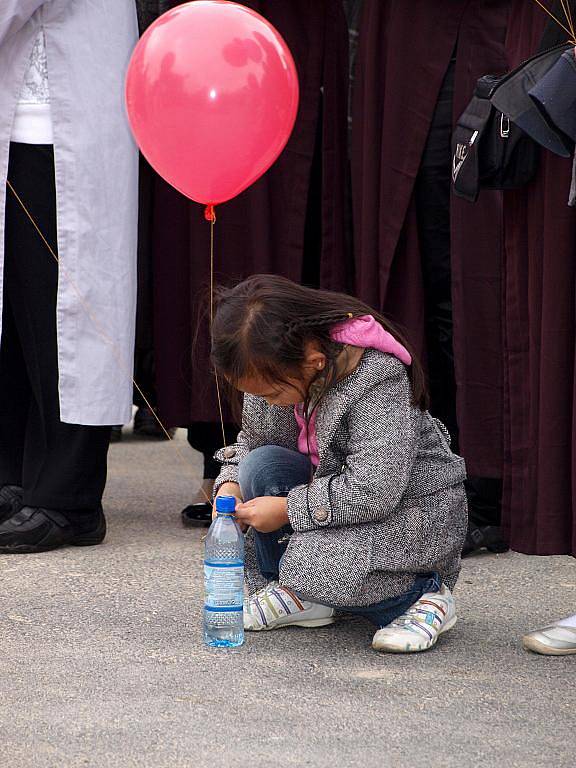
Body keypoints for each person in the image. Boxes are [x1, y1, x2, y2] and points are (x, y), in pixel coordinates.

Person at [210, 275, 467, 653]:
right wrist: (230, 483)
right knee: (260, 466)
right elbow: (253, 441)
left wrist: (287, 509)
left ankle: (423, 595)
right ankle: (305, 597)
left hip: (409, 510)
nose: (269, 401)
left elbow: (373, 490)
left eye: (271, 393)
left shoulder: (377, 376)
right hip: (332, 503)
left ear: (314, 362)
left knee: (317, 565)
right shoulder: (272, 366)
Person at [0, 1, 138, 553]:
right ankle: (14, 478)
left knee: (66, 313)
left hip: (61, 121)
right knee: (18, 312)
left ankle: (68, 498)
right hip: (20, 113)